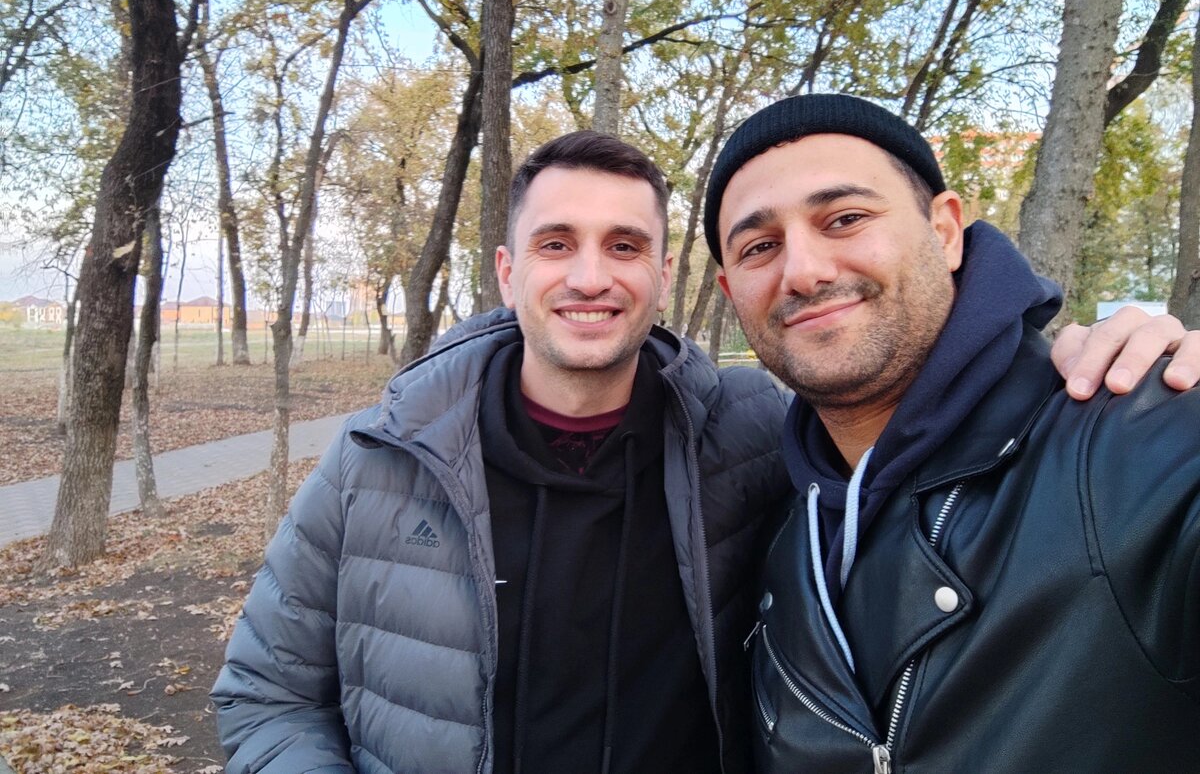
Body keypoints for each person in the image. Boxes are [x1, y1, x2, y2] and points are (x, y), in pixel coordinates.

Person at [212, 129, 1195, 774]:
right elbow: (265, 694)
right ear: (508, 273)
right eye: (555, 244)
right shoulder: (381, 461)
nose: (589, 277)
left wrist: (1104, 357)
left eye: (624, 246)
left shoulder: (754, 440)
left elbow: (935, 438)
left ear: (668, 273)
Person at [705, 93, 1200, 773]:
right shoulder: (783, 531)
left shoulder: (1136, 444)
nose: (804, 271)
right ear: (731, 291)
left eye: (845, 219)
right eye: (761, 247)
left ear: (944, 231)